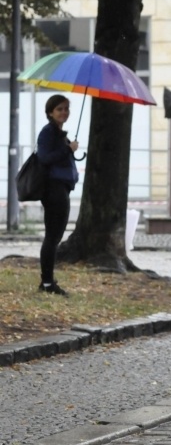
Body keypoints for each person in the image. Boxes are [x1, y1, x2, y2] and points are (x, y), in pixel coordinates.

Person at [36, 95, 79, 297]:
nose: (64, 112)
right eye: (60, 109)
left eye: (66, 109)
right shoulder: (48, 133)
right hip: (54, 189)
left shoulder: (59, 134)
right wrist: (67, 149)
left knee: (55, 235)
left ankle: (47, 280)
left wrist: (67, 148)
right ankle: (47, 283)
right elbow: (44, 158)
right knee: (52, 236)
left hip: (62, 188)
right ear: (50, 112)